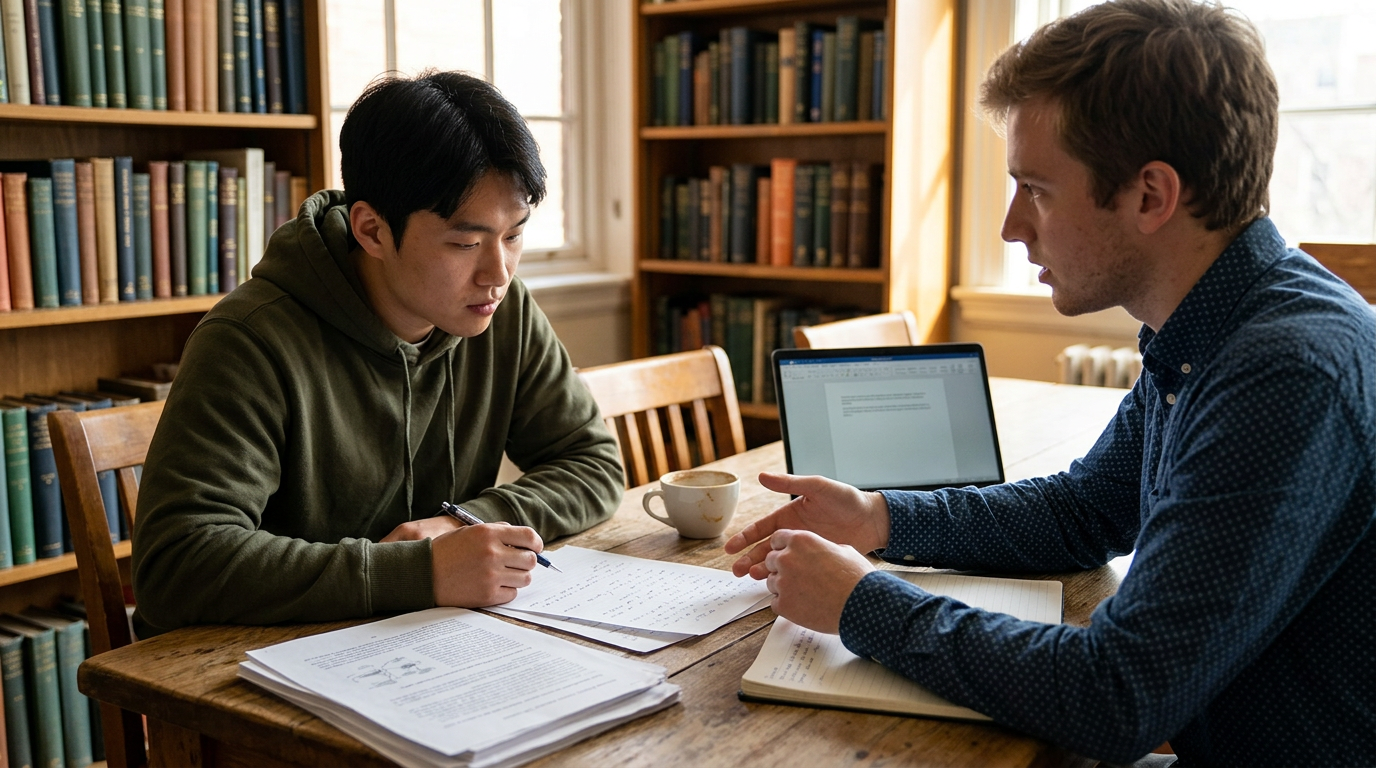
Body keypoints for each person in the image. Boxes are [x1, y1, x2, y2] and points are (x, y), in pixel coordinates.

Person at [726, 1, 1376, 765]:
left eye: (1034, 187)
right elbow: (1084, 512)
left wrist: (863, 602)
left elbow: (1116, 695)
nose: (1010, 226)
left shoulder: (1282, 371)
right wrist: (879, 518)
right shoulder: (1217, 323)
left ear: (1150, 196)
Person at [132, 71, 624, 638]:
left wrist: (460, 526)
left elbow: (593, 463)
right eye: (466, 243)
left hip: (433, 648)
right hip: (267, 670)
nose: (499, 273)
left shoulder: (499, 311)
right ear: (371, 230)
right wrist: (418, 572)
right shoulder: (249, 341)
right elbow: (175, 566)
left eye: (513, 235)